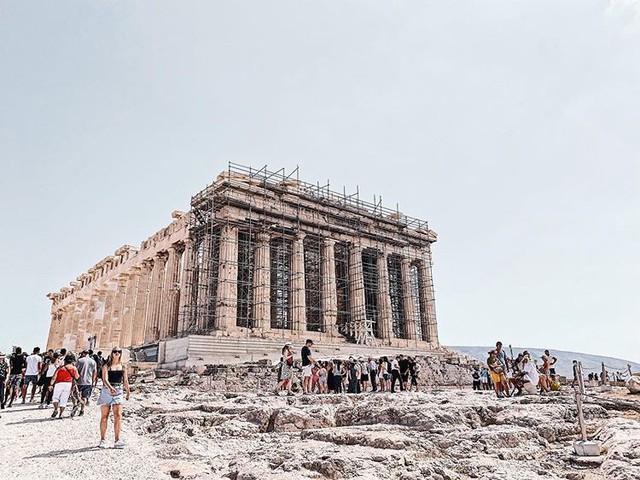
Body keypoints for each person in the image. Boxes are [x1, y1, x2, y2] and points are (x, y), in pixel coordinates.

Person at [98, 347, 130, 449]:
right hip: (107, 390)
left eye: (119, 352)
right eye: (115, 351)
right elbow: (104, 379)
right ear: (111, 353)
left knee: (118, 415)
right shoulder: (106, 366)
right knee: (104, 416)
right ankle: (103, 439)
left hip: (119, 390)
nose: (117, 353)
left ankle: (117, 440)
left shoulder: (123, 367)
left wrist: (128, 392)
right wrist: (110, 388)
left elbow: (125, 381)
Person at [49, 353, 79, 419]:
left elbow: (54, 377)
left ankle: (56, 409)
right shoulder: (74, 368)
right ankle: (61, 414)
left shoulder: (60, 367)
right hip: (68, 384)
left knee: (55, 398)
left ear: (65, 360)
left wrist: (51, 385)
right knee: (64, 399)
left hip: (59, 383)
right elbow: (77, 377)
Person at [76, 349, 97, 416]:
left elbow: (76, 370)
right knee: (84, 397)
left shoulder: (79, 360)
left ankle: (76, 405)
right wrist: (93, 381)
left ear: (83, 353)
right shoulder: (93, 362)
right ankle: (82, 410)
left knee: (76, 395)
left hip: (79, 381)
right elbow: (94, 372)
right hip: (88, 382)